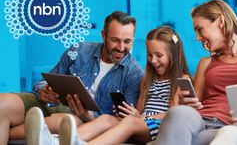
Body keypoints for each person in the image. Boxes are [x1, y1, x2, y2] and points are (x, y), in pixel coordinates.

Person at [25, 26, 191, 145]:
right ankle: (58, 141)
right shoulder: (147, 79)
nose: (153, 61)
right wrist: (133, 113)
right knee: (106, 119)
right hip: (140, 123)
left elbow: (175, 114)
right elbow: (139, 110)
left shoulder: (181, 79)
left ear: (174, 55)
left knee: (130, 123)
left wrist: (141, 118)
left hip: (159, 126)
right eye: (150, 55)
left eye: (159, 55)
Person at [151, 0, 237, 145]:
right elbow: (195, 104)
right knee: (178, 112)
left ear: (220, 21)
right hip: (199, 119)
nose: (197, 38)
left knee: (199, 140)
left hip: (229, 127)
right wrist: (184, 102)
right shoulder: (206, 63)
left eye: (199, 29)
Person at [0, 11, 144, 144]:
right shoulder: (79, 50)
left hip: (80, 120)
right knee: (3, 102)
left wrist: (88, 116)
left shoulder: (135, 74)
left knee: (64, 121)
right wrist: (43, 90)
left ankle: (13, 133)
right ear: (103, 35)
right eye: (115, 40)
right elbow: (45, 80)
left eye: (127, 41)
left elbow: (120, 122)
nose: (120, 47)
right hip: (48, 104)